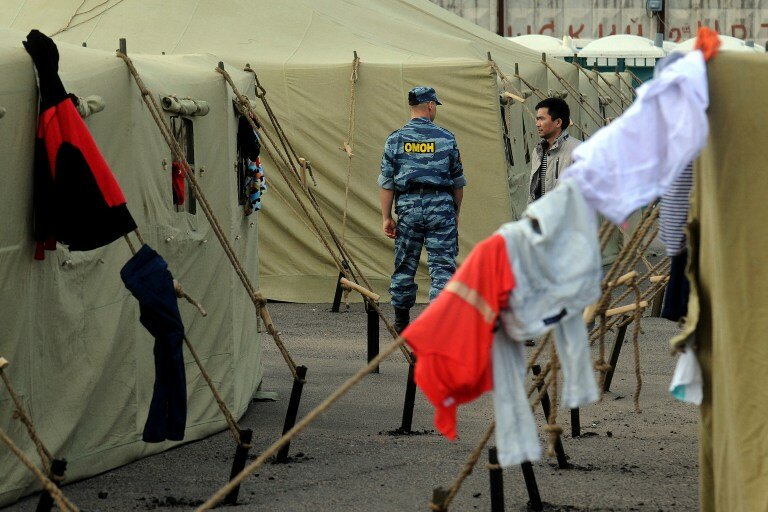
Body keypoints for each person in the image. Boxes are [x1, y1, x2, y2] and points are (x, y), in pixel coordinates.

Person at [378, 86, 466, 333]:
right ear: (430, 105)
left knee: (405, 265)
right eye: (435, 105)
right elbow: (458, 183)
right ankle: (439, 324)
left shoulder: (395, 139)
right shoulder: (446, 138)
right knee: (442, 268)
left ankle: (401, 322)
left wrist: (387, 217)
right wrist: (454, 213)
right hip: (441, 208)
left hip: (409, 208)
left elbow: (387, 183)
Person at [529, 97, 581, 202]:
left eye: (541, 119)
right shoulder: (537, 151)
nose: (537, 124)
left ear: (558, 122)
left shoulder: (578, 151)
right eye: (537, 119)